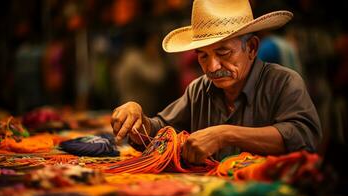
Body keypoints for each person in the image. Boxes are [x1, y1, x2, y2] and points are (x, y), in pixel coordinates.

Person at [111, 0, 322, 164]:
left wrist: (225, 134)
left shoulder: (283, 82)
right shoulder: (199, 90)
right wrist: (138, 118)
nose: (212, 68)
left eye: (223, 53)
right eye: (203, 56)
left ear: (252, 48)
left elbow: (304, 136)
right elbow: (161, 130)